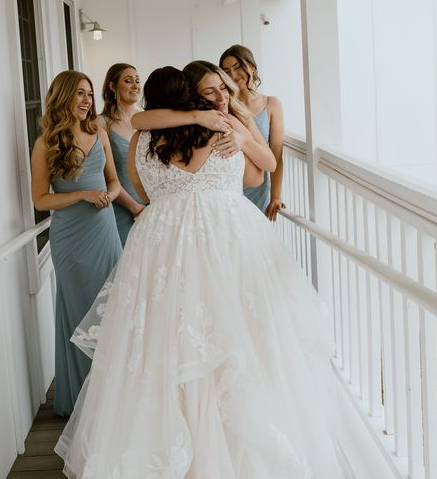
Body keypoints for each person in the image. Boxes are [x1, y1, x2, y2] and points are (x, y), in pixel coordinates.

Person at [55, 67, 344, 478]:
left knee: (165, 339)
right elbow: (263, 166)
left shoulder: (144, 137)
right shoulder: (219, 126)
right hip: (229, 241)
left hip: (162, 244)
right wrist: (228, 130)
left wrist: (236, 135)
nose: (219, 95)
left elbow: (137, 181)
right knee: (240, 336)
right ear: (192, 97)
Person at [31, 70, 122, 417]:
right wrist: (82, 194)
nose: (86, 101)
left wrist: (108, 197)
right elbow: (40, 200)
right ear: (63, 97)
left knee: (111, 309)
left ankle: (111, 395)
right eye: (79, 94)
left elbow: (113, 181)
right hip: (70, 238)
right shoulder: (45, 143)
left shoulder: (98, 134)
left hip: (104, 229)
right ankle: (85, 401)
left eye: (89, 94)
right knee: (79, 310)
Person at [131, 59, 277, 177]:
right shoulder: (193, 125)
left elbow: (270, 164)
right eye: (209, 92)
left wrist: (243, 141)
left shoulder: (239, 114)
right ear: (194, 95)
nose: (221, 97)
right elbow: (137, 120)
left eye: (223, 87)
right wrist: (198, 117)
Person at [220, 44, 285, 220]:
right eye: (227, 71)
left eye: (238, 67)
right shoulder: (224, 104)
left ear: (252, 67)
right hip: (228, 185)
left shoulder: (271, 104)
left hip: (259, 187)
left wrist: (276, 197)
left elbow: (277, 155)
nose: (233, 75)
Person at [95, 63, 146, 245]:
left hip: (153, 207)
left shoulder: (147, 119)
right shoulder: (101, 123)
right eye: (128, 81)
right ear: (112, 86)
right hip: (122, 208)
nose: (135, 86)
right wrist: (134, 207)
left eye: (137, 81)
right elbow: (102, 173)